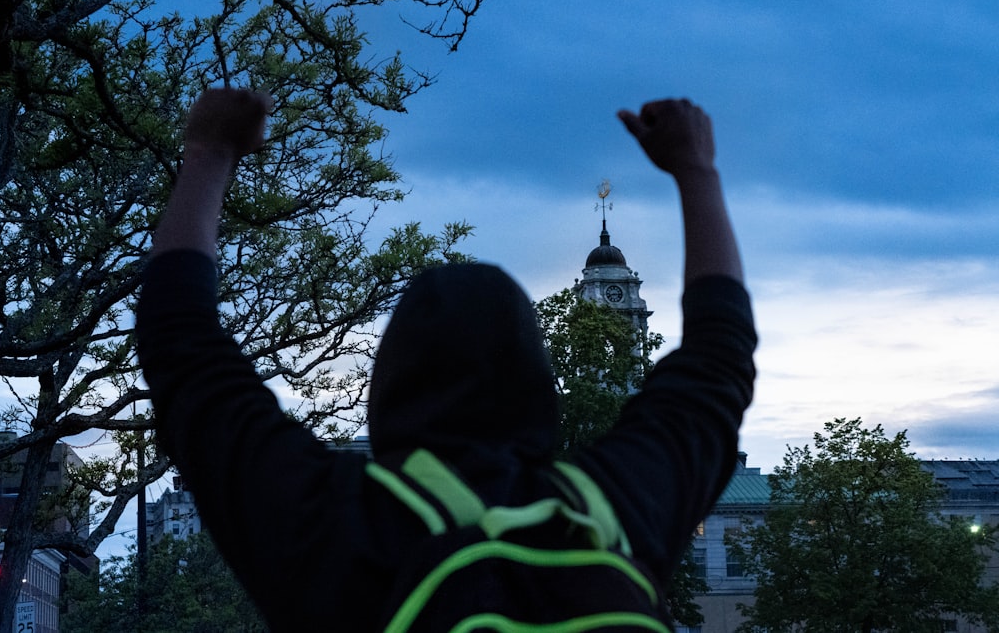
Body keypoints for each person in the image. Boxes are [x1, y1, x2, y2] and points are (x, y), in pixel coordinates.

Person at [136, 90, 756, 630]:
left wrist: (209, 152)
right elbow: (718, 361)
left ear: (388, 384)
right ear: (540, 383)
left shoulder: (337, 523)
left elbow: (181, 347)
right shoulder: (607, 512)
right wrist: (696, 169)